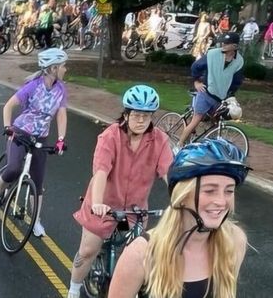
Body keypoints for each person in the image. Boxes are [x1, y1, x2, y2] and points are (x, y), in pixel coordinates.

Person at [66, 85, 173, 298]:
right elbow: (101, 172)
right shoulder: (110, 136)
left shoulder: (160, 140)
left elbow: (170, 173)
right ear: (126, 114)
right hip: (104, 207)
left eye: (147, 116)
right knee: (88, 251)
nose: (141, 120)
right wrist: (97, 203)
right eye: (136, 115)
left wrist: (179, 201)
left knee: (134, 255)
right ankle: (74, 289)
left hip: (133, 211)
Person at [107, 138, 249, 298]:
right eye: (209, 191)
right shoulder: (142, 253)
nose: (222, 202)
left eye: (229, 191)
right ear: (182, 195)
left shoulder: (234, 242)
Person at [0, 48, 70, 237]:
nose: (66, 69)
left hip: (40, 137)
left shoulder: (61, 90)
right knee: (13, 168)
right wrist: (8, 127)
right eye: (63, 66)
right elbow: (8, 106)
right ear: (53, 68)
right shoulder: (33, 86)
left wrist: (61, 139)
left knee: (37, 182)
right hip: (21, 132)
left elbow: (61, 115)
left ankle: (36, 221)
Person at [176, 33, 245, 148]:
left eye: (227, 43)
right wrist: (196, 81)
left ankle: (207, 146)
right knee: (196, 120)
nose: (223, 44)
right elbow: (196, 66)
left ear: (235, 46)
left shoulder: (239, 61)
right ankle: (179, 145)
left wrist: (231, 95)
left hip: (220, 98)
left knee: (216, 123)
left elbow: (236, 81)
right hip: (205, 93)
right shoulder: (213, 54)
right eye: (223, 42)